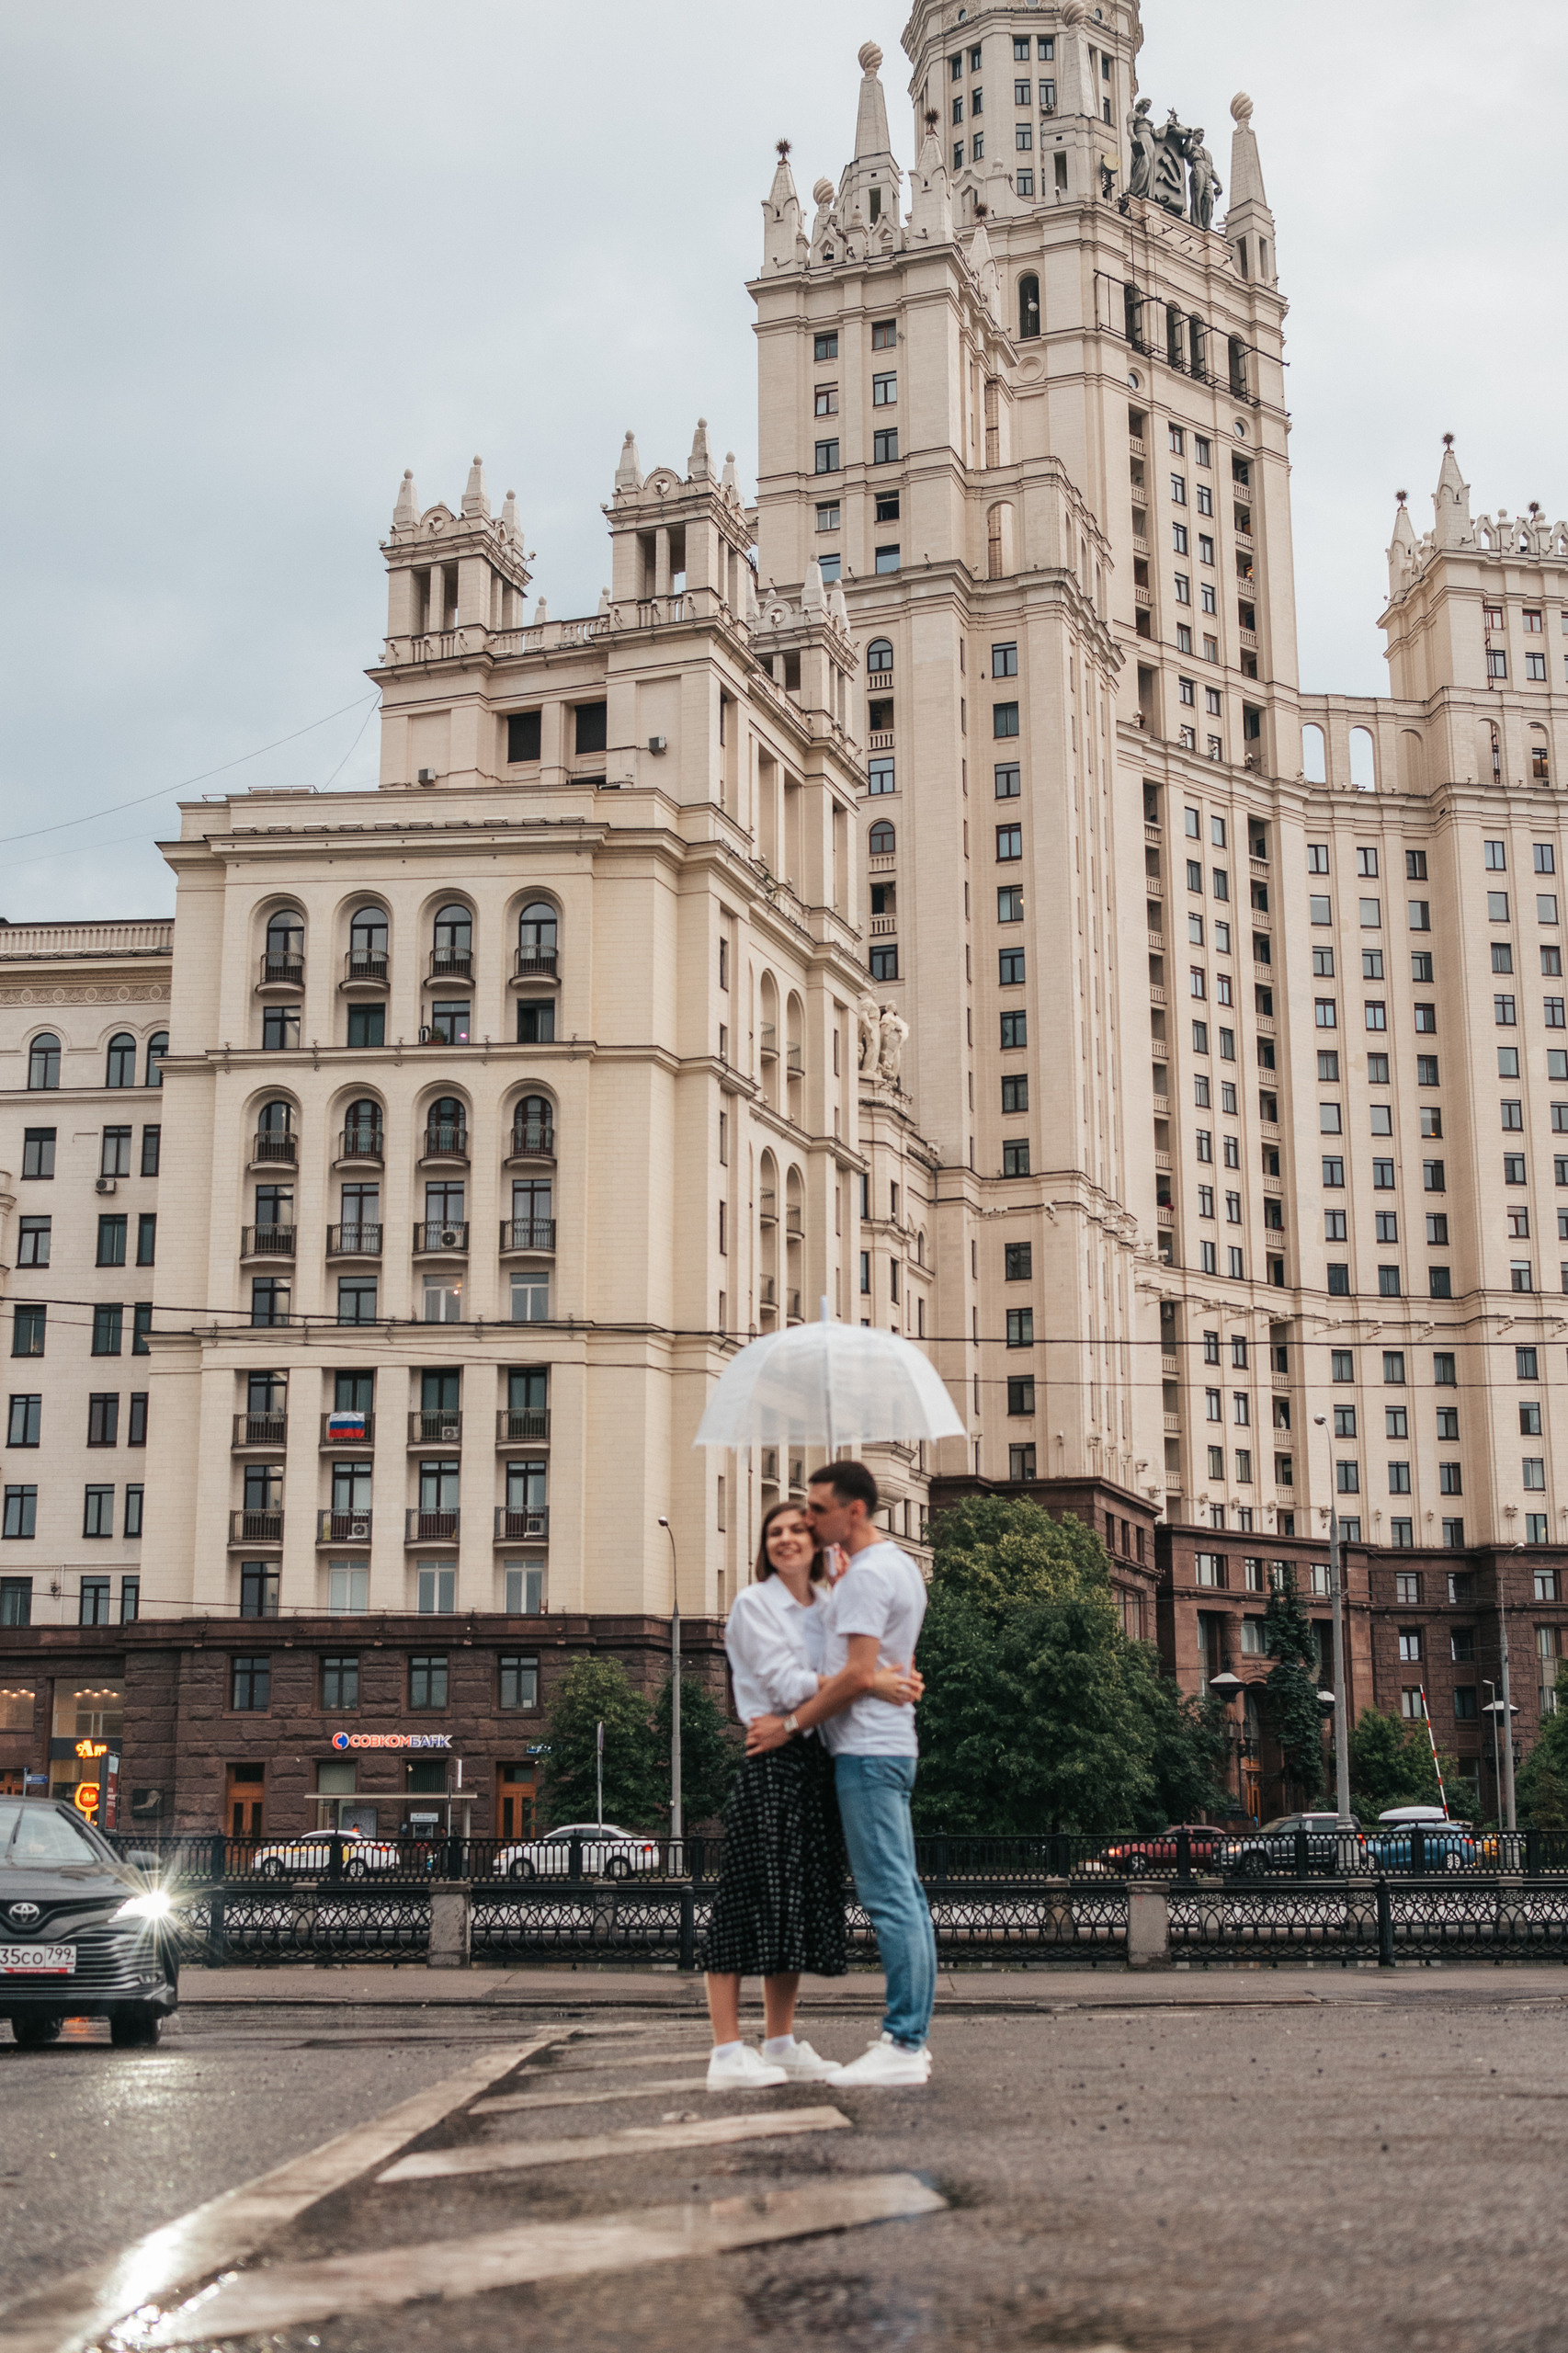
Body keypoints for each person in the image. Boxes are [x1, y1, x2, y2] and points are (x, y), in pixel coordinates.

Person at [701, 1498, 919, 2091]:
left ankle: (778, 2041)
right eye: (775, 1531)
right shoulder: (753, 1604)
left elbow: (857, 1661)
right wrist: (869, 1679)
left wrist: (880, 1669)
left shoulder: (827, 1603)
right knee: (745, 1902)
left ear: (817, 1541)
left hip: (815, 1761)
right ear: (764, 1545)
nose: (787, 1539)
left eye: (798, 1529)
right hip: (771, 1756)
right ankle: (726, 2052)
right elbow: (784, 1682)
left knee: (789, 1905)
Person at [746, 1461, 936, 2087]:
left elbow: (857, 1675)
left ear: (853, 1512)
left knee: (889, 1898)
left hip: (865, 1753)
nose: (808, 1517)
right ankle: (908, 2038)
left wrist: (791, 1725)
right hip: (889, 1747)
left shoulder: (865, 1578)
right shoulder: (897, 1566)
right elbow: (879, 1667)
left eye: (819, 1508)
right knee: (905, 1894)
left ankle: (904, 2043)